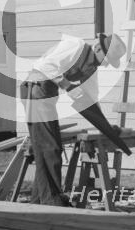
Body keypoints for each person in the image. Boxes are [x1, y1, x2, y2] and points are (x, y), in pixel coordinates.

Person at [20, 32, 127, 206]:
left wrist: (104, 126)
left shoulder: (91, 68)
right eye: (106, 59)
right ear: (98, 48)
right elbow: (45, 66)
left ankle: (38, 201)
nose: (105, 64)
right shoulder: (75, 46)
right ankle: (52, 201)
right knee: (50, 148)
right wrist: (68, 86)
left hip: (45, 97)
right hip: (35, 91)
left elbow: (91, 99)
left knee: (45, 150)